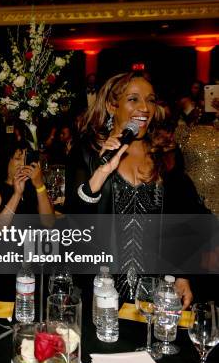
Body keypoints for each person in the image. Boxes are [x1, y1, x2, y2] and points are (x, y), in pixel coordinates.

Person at [65, 71, 210, 308]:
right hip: (102, 293)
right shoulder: (87, 152)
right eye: (133, 99)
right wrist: (102, 170)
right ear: (113, 106)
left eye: (150, 100)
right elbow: (74, 219)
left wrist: (182, 274)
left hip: (157, 296)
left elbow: (188, 220)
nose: (144, 107)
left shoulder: (167, 156)